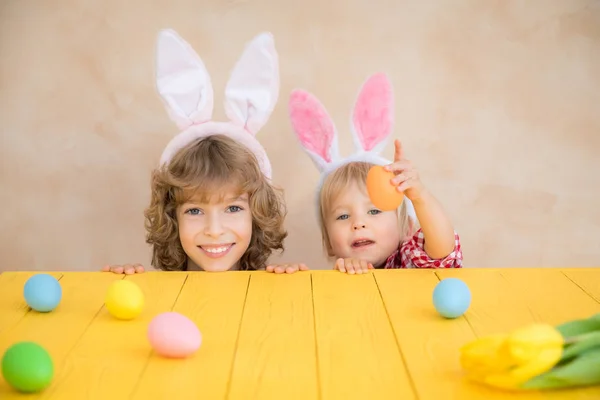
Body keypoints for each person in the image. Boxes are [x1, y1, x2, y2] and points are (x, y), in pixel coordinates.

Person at [103, 29, 306, 274]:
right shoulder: (156, 292)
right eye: (195, 210)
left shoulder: (274, 286)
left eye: (233, 208)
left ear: (258, 214)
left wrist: (292, 286)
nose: (214, 230)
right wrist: (124, 284)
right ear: (172, 218)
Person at [287, 72, 463, 274]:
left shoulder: (409, 261)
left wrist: (419, 196)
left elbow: (443, 250)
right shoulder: (338, 277)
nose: (358, 223)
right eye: (343, 216)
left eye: (374, 211)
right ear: (327, 242)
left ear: (406, 228)